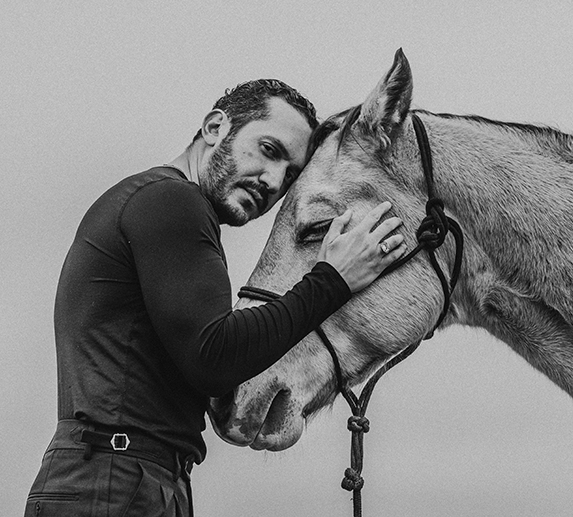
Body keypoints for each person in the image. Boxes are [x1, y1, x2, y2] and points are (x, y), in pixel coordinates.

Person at [25, 79, 407, 516]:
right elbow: (214, 355)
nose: (272, 181)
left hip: (129, 475)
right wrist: (332, 281)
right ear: (214, 128)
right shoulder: (170, 200)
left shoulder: (158, 206)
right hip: (116, 479)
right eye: (269, 149)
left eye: (290, 176)